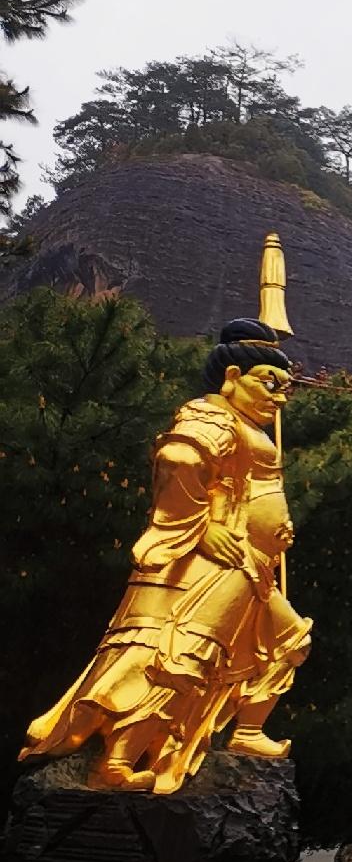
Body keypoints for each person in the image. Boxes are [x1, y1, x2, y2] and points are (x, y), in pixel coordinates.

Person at [21, 320, 312, 793]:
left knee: (289, 642)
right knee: (178, 658)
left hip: (250, 565)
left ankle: (247, 731)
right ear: (232, 375)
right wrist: (204, 527)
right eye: (270, 383)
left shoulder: (245, 426)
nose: (279, 398)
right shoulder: (210, 416)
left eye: (286, 389)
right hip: (215, 559)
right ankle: (115, 763)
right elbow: (179, 461)